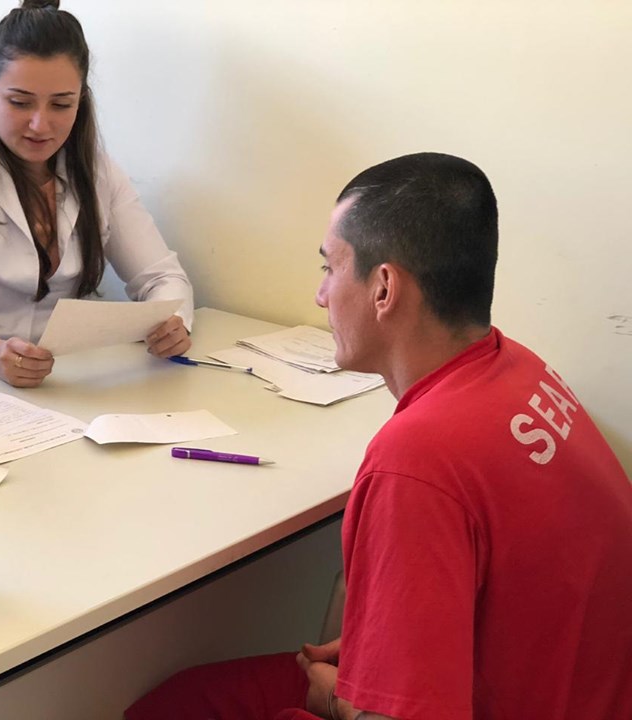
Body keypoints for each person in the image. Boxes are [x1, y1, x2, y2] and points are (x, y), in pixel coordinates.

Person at [125, 153, 632, 720]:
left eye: (330, 268)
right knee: (190, 697)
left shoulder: (417, 460)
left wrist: (334, 699)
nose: (321, 295)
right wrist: (382, 642)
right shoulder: (522, 370)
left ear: (384, 288)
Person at [0, 0, 194, 400]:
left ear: (81, 99)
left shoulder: (96, 171)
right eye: (20, 102)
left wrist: (173, 321)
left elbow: (162, 277)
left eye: (61, 104)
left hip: (54, 393)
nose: (40, 124)